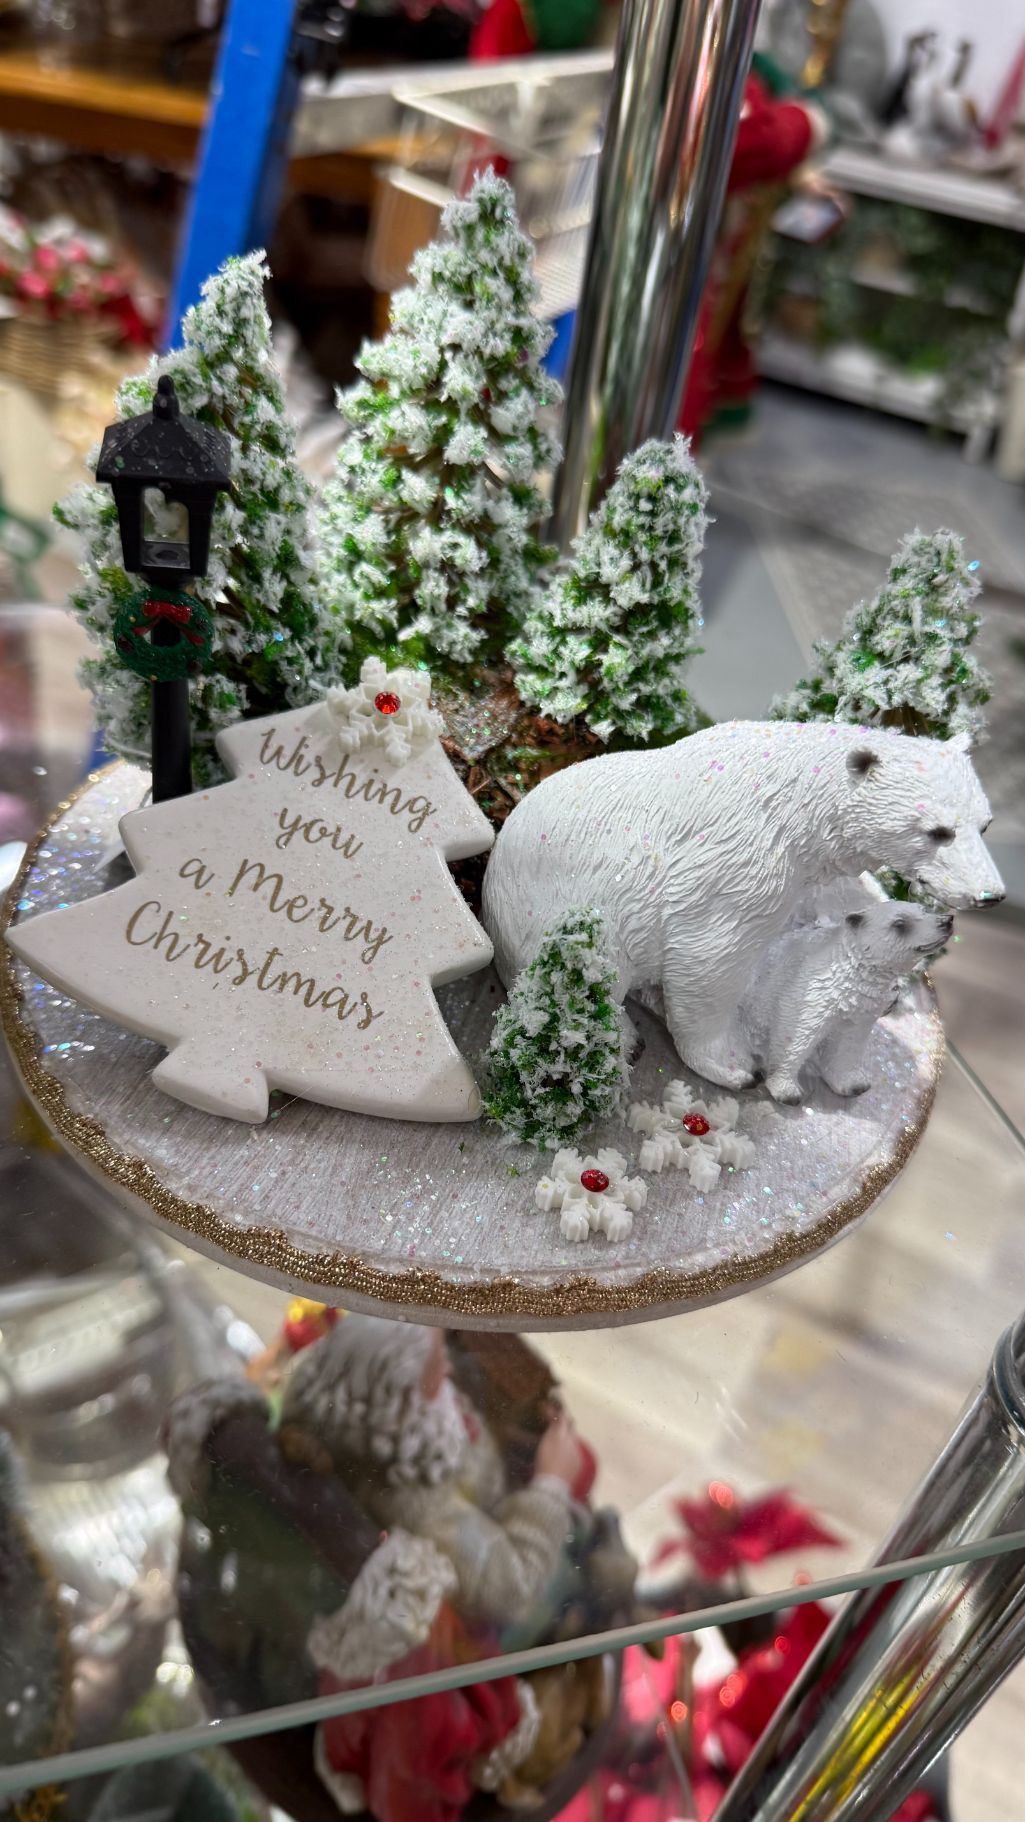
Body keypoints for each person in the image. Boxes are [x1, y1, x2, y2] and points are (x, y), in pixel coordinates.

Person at [279, 1314, 584, 1637]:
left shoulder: (347, 1388)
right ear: (403, 1400)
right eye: (436, 1360)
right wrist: (552, 1484)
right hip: (502, 1578)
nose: (447, 1367)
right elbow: (513, 1588)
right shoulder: (417, 1504)